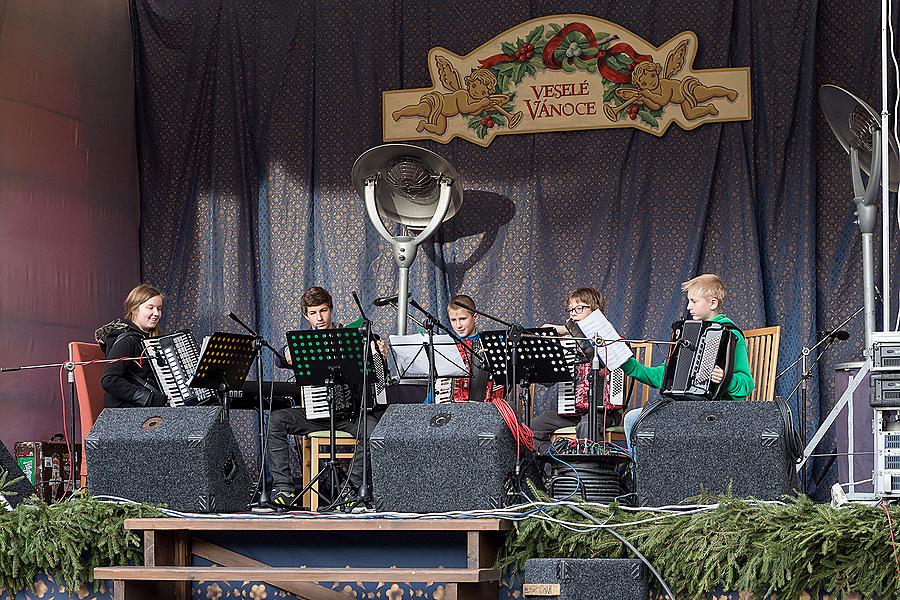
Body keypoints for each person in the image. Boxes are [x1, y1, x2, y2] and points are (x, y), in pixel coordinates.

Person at [268, 286, 379, 508]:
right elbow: (281, 358)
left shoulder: (351, 337)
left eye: (323, 311)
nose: (319, 318)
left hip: (349, 416)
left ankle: (351, 489)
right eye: (313, 313)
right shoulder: (303, 343)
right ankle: (283, 488)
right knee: (276, 420)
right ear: (305, 315)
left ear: (331, 310)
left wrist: (377, 351)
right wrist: (284, 353)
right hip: (315, 415)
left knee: (376, 433)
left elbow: (374, 357)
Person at [621, 274, 755, 451]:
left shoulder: (731, 335)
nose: (688, 307)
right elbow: (660, 377)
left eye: (693, 301)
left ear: (713, 303)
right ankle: (642, 477)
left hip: (716, 413)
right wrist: (627, 364)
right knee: (632, 418)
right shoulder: (687, 332)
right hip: (684, 409)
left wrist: (725, 378)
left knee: (635, 419)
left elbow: (747, 385)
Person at [530, 287, 621, 453]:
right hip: (572, 413)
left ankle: (588, 475)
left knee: (587, 426)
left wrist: (566, 328)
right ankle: (560, 464)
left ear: (596, 311)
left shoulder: (607, 336)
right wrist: (545, 363)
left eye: (579, 308)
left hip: (603, 413)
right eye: (571, 310)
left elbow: (596, 344)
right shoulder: (568, 343)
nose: (573, 314)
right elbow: (549, 381)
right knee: (532, 428)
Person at [97, 284, 168, 408]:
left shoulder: (153, 338)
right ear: (134, 309)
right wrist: (149, 398)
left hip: (144, 409)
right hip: (125, 411)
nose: (156, 313)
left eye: (159, 308)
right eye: (150, 308)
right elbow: (109, 380)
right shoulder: (127, 340)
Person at [438, 294, 505, 403]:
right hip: (451, 409)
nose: (458, 325)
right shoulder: (446, 345)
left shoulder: (490, 343)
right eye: (453, 320)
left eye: (463, 319)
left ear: (475, 317)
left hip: (487, 408)